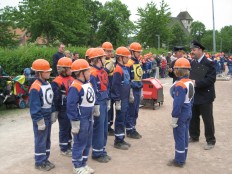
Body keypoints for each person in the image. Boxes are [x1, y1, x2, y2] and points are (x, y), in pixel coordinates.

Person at [67, 59, 95, 174]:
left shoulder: (87, 83)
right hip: (81, 118)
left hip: (89, 116)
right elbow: (71, 104)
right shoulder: (75, 86)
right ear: (81, 73)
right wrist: (74, 121)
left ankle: (84, 163)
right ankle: (77, 165)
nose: (90, 73)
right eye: (87, 71)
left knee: (88, 141)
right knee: (80, 141)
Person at [189, 40, 216, 150]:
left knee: (207, 119)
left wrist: (196, 83)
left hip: (205, 96)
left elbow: (211, 79)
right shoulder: (193, 62)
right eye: (192, 50)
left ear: (200, 50)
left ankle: (210, 140)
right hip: (195, 95)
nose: (192, 52)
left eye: (194, 50)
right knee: (193, 117)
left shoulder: (209, 62)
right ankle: (194, 136)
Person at [167, 58, 195, 168]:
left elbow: (177, 104)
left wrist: (174, 118)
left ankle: (179, 160)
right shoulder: (190, 82)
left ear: (179, 70)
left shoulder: (180, 85)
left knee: (179, 136)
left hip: (182, 112)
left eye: (175, 69)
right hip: (188, 110)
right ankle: (183, 157)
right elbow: (192, 99)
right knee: (184, 135)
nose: (174, 70)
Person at [29, 59, 55, 171]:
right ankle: (39, 162)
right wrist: (39, 120)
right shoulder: (35, 87)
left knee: (47, 139)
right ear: (40, 73)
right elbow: (34, 107)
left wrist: (53, 111)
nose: (49, 73)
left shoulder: (47, 83)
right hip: (41, 117)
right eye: (47, 71)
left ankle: (45, 159)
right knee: (40, 139)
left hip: (48, 115)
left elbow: (51, 99)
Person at [89, 48, 111, 163]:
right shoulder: (92, 73)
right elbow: (93, 91)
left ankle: (102, 149)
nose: (104, 58)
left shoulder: (102, 71)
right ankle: (97, 153)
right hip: (98, 103)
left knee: (104, 127)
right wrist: (96, 105)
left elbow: (106, 86)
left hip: (104, 100)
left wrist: (108, 99)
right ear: (98, 59)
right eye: (102, 57)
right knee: (99, 128)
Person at [51, 57, 74, 157]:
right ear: (64, 69)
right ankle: (64, 148)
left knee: (69, 127)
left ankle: (68, 145)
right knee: (64, 128)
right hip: (62, 108)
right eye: (70, 68)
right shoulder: (57, 81)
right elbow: (55, 98)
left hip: (70, 107)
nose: (71, 70)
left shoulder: (72, 79)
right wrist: (55, 111)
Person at [111, 46, 131, 150]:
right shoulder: (118, 69)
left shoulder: (125, 68)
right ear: (120, 58)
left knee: (123, 119)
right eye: (126, 57)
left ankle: (121, 138)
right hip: (121, 99)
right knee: (120, 119)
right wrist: (117, 100)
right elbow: (115, 86)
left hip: (125, 98)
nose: (128, 59)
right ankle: (118, 141)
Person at [125, 42, 143, 139]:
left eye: (140, 52)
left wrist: (141, 89)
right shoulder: (129, 63)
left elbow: (139, 76)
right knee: (131, 111)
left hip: (138, 88)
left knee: (135, 111)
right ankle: (129, 129)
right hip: (132, 89)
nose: (139, 54)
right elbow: (128, 79)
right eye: (138, 52)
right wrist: (130, 92)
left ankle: (133, 127)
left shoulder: (137, 62)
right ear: (132, 52)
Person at [102, 41, 115, 136]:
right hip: (106, 86)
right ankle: (106, 127)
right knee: (107, 108)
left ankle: (109, 125)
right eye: (108, 51)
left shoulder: (112, 60)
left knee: (111, 108)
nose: (110, 53)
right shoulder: (102, 61)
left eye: (110, 51)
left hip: (111, 86)